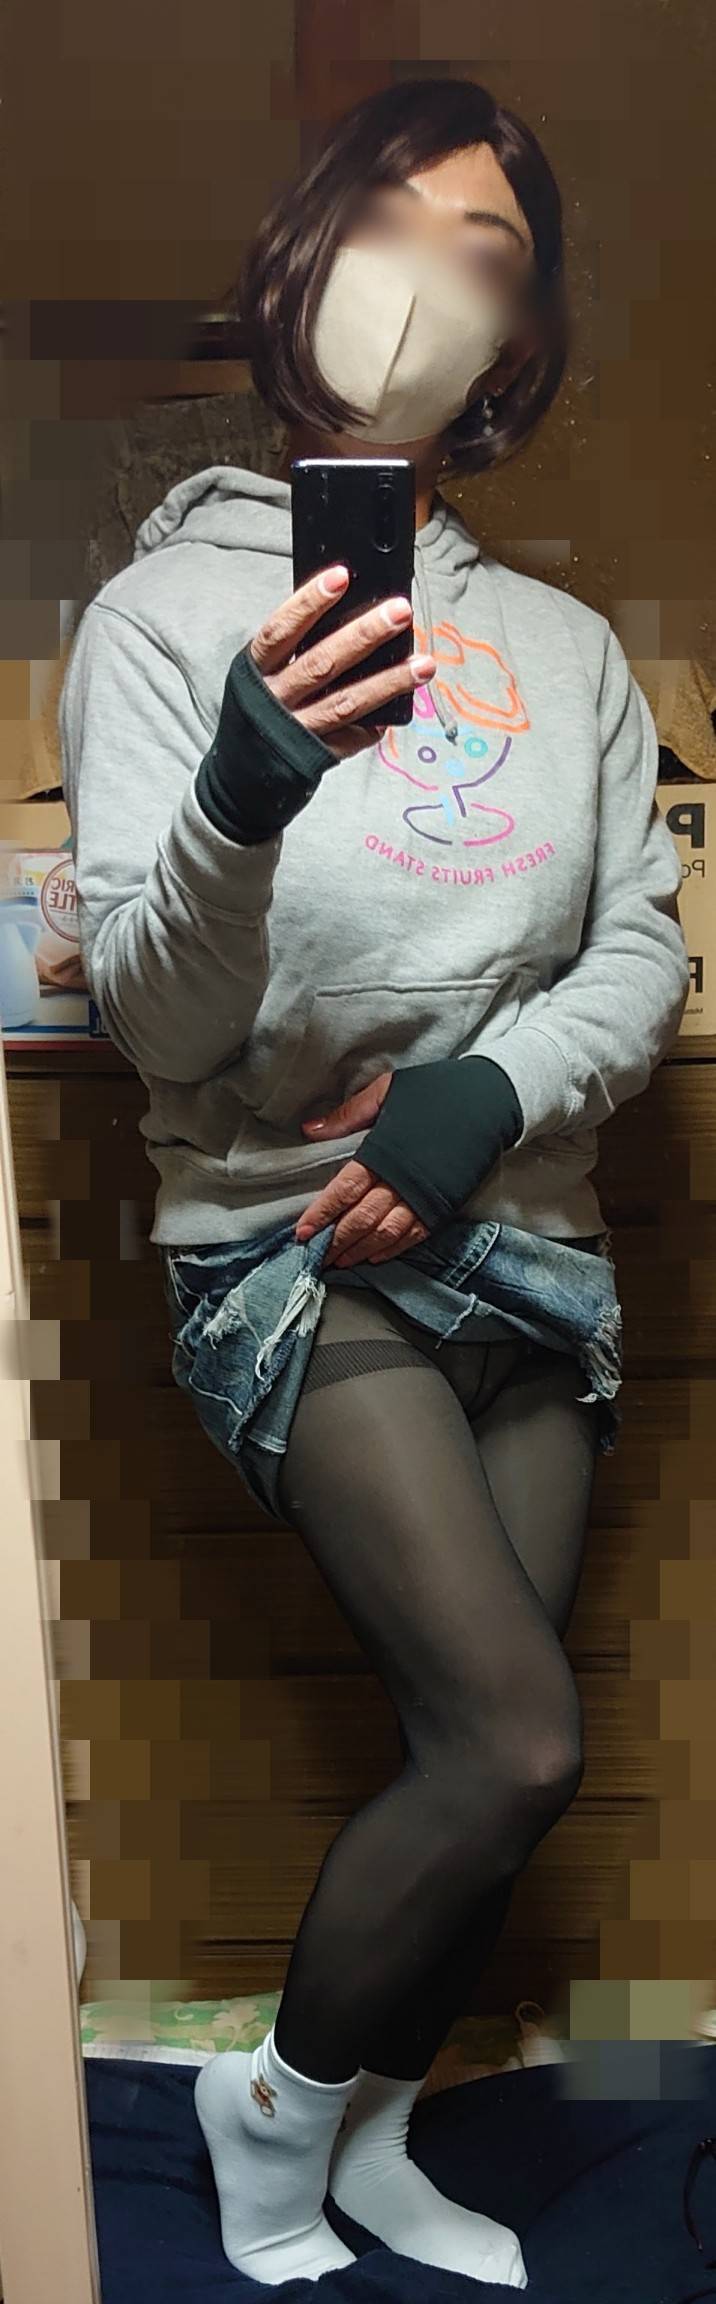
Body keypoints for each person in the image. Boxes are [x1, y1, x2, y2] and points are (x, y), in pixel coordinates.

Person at [59, 76, 690, 2293]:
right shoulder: (159, 618)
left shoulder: (574, 650)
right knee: (513, 1738)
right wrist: (243, 788)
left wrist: (482, 1095)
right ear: (304, 261)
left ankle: (378, 2127)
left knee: (494, 1767)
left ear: (521, 336)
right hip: (287, 1243)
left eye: (485, 251)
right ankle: (266, 2113)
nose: (432, 282)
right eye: (396, 224)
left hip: (530, 1238)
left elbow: (641, 944)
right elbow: (157, 1025)